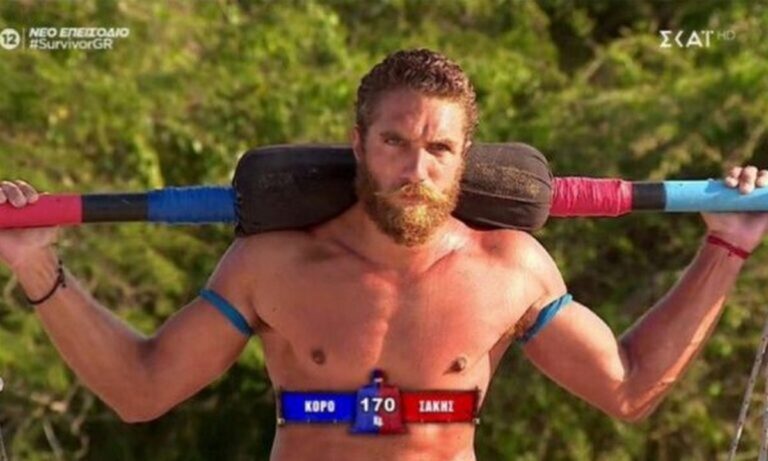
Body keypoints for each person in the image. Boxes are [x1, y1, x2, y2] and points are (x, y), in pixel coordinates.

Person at [2, 49, 768, 461]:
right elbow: (142, 390)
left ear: (465, 157)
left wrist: (726, 247)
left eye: (439, 148)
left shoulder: (511, 268)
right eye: (395, 142)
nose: (416, 169)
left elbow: (628, 389)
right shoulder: (274, 264)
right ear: (359, 144)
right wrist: (37, 264)